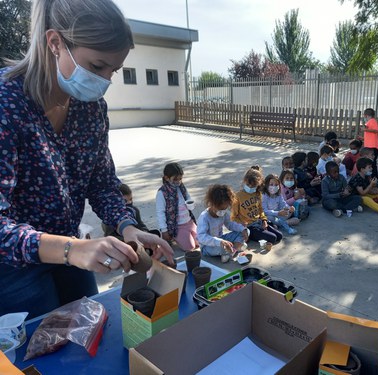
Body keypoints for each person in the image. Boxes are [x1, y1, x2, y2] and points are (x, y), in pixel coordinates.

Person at [0, 0, 173, 319]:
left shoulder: (90, 109)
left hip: (73, 253)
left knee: (88, 335)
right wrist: (70, 249)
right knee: (41, 357)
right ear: (55, 43)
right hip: (15, 270)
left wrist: (127, 227)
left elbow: (103, 184)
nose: (106, 80)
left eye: (113, 70)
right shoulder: (6, 106)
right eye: (97, 67)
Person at [197, 184, 248, 263]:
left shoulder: (223, 214)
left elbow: (230, 225)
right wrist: (219, 242)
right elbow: (201, 237)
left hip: (222, 239)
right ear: (211, 204)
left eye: (225, 208)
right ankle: (232, 249)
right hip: (208, 247)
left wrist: (243, 229)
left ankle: (232, 250)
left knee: (245, 232)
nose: (223, 211)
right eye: (220, 209)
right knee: (222, 248)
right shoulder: (204, 217)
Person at [231, 167, 283, 245]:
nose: (250, 187)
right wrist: (242, 223)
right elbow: (233, 217)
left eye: (253, 186)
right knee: (273, 238)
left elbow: (260, 209)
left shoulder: (257, 193)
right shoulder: (238, 196)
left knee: (279, 236)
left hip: (259, 222)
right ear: (245, 181)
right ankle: (249, 235)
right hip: (249, 226)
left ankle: (263, 231)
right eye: (248, 184)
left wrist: (264, 220)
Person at [156, 162, 198, 252]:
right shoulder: (162, 193)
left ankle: (184, 237)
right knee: (190, 247)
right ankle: (175, 237)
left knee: (200, 242)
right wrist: (164, 230)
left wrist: (191, 204)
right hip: (177, 226)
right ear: (166, 178)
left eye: (180, 179)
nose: (178, 182)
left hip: (189, 221)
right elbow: (160, 212)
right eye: (175, 179)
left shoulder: (181, 187)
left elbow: (188, 197)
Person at [361, 108, 378, 178]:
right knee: (369, 163)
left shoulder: (372, 121)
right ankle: (371, 178)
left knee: (372, 163)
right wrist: (362, 138)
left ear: (366, 115)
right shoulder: (370, 122)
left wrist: (365, 129)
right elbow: (371, 135)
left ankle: (374, 178)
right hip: (370, 146)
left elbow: (376, 130)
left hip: (373, 146)